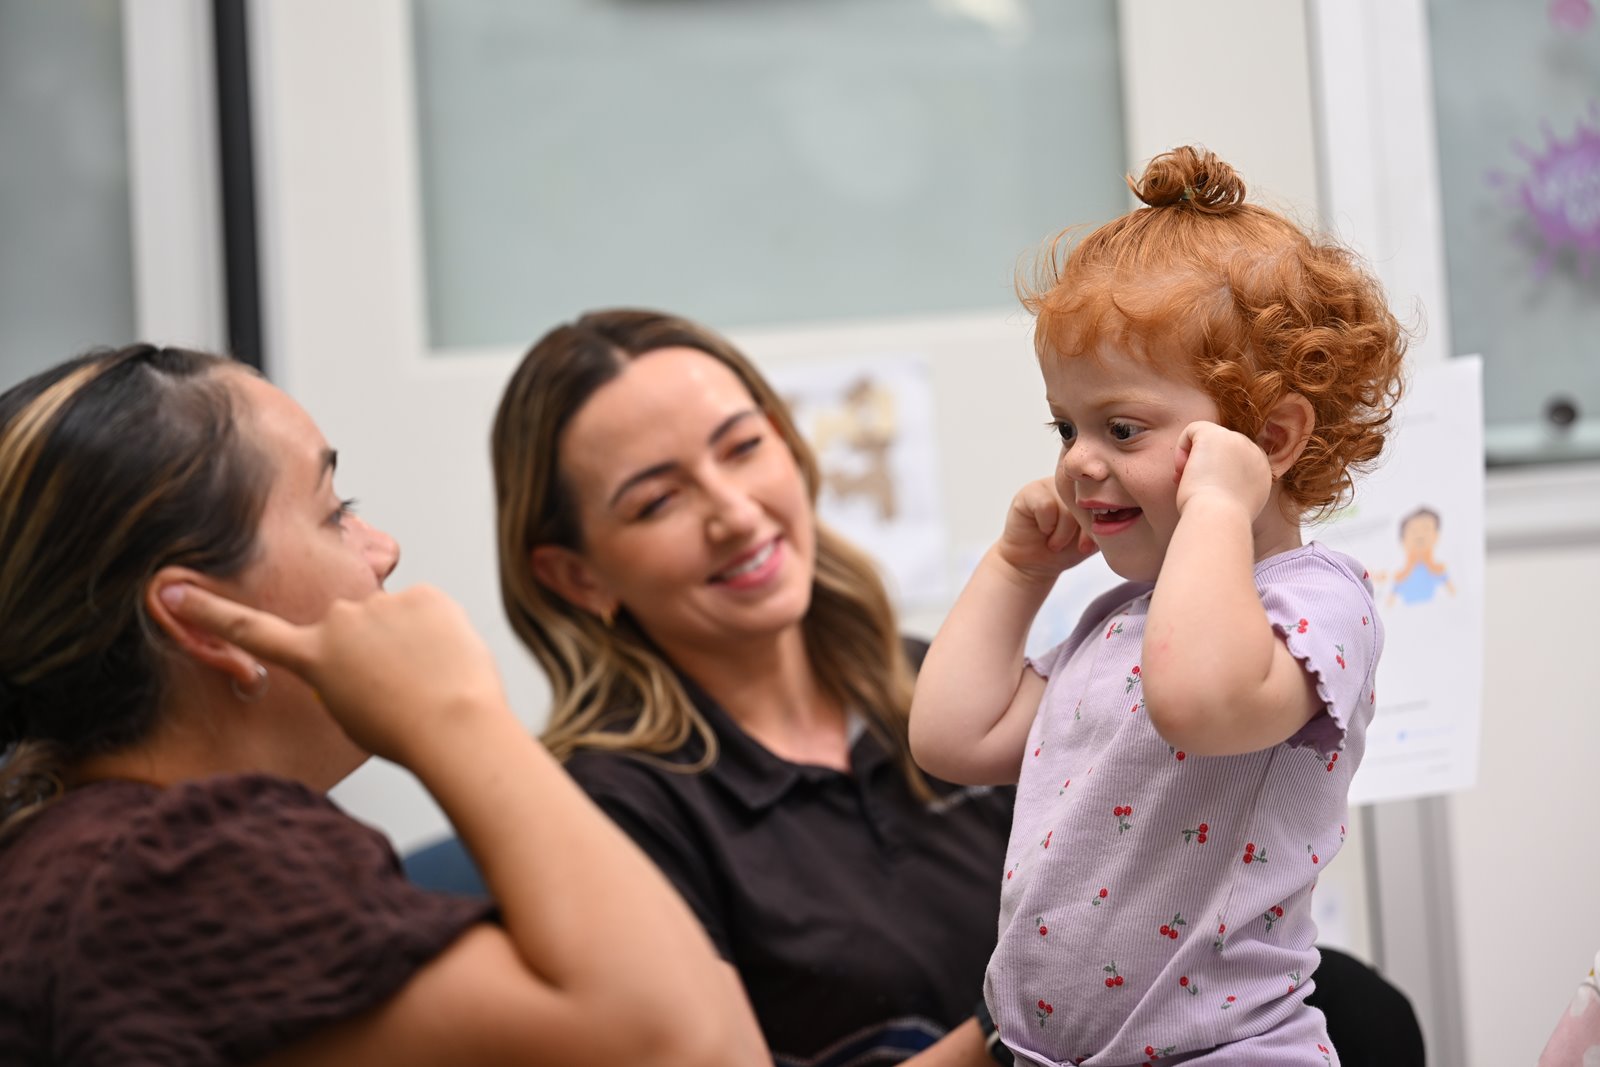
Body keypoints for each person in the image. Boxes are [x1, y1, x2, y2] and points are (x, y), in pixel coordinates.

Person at [405, 306, 1422, 1066]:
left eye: (743, 447)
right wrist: (1011, 1030)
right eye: (657, 498)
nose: (732, 511)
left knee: (1366, 1007)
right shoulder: (607, 810)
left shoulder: (926, 673)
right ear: (575, 575)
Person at [0, 345, 765, 1066]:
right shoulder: (173, 870)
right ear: (202, 621)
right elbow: (694, 1045)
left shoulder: (106, 852)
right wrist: (454, 713)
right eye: (336, 512)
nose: (383, 548)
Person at [909, 146, 1409, 1066]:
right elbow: (952, 737)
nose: (1077, 459)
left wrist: (1218, 503)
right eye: (1066, 425)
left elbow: (1199, 702)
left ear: (1269, 437)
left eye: (1121, 427)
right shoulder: (1117, 621)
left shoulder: (1317, 602)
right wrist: (1016, 570)